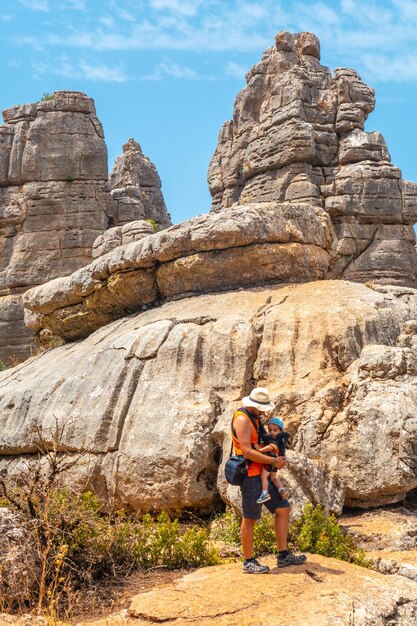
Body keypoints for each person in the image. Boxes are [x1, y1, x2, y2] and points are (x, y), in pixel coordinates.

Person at [231, 387, 307, 573]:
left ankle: (283, 556)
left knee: (283, 507)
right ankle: (248, 562)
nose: (263, 411)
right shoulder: (242, 420)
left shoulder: (255, 417)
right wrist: (274, 460)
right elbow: (247, 451)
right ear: (252, 405)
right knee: (250, 517)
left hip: (262, 472)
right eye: (261, 407)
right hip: (250, 475)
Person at [256, 417, 289, 504]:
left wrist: (259, 450)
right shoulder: (281, 439)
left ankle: (264, 493)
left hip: (272, 461)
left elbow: (271, 447)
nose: (272, 432)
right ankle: (282, 490)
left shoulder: (275, 439)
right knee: (273, 478)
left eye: (275, 430)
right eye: (270, 430)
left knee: (263, 476)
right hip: (277, 461)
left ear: (280, 431)